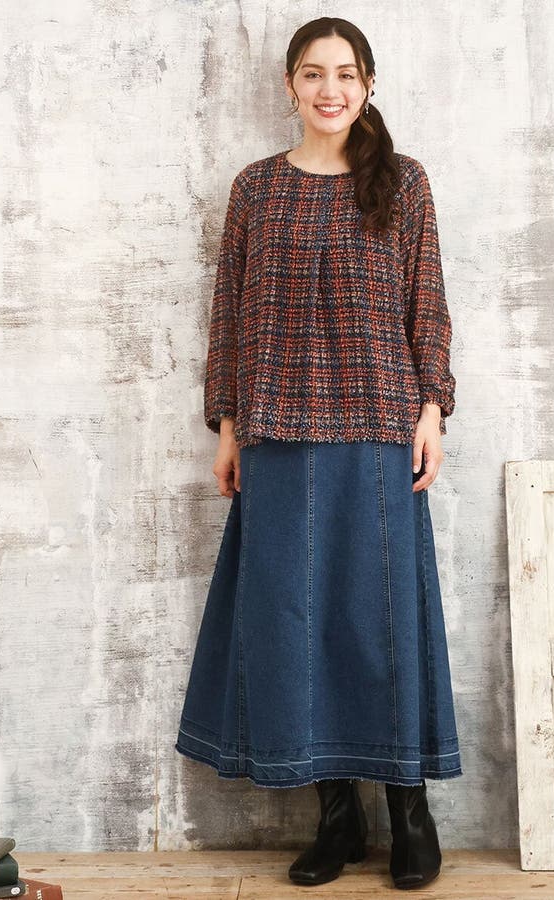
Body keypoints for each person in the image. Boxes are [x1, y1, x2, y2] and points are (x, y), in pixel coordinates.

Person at [175, 16, 462, 891]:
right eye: (312, 73)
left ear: (369, 84)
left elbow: (427, 304)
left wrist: (432, 408)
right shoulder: (256, 189)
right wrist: (228, 425)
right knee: (293, 627)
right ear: (290, 87)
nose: (329, 89)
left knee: (380, 623)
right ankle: (336, 817)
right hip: (276, 432)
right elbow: (230, 314)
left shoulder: (403, 183)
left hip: (378, 429)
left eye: (344, 73)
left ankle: (409, 810)